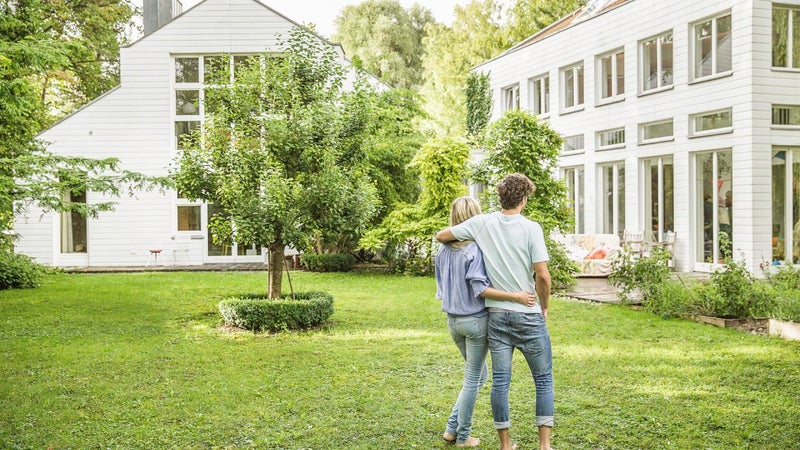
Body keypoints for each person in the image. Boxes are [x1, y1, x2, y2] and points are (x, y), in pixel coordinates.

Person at [436, 174, 554, 450]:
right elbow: (542, 275)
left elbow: (442, 236)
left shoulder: (482, 223)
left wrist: (463, 233)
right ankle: (544, 446)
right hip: (526, 313)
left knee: (500, 381)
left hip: (496, 316)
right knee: (543, 379)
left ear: (500, 197)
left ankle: (505, 444)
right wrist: (544, 306)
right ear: (524, 199)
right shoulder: (531, 228)